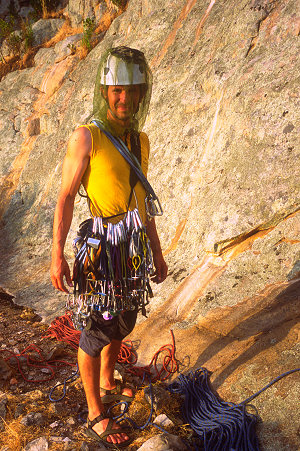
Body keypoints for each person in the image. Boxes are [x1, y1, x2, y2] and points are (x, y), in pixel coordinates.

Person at [50, 46, 167, 448]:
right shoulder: (88, 136)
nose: (123, 99)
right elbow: (65, 197)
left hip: (132, 247)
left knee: (124, 320)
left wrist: (157, 250)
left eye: (131, 91)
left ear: (140, 95)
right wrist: (56, 254)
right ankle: (94, 411)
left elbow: (143, 205)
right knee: (97, 329)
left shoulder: (140, 140)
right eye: (116, 90)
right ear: (105, 91)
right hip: (102, 250)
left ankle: (106, 378)